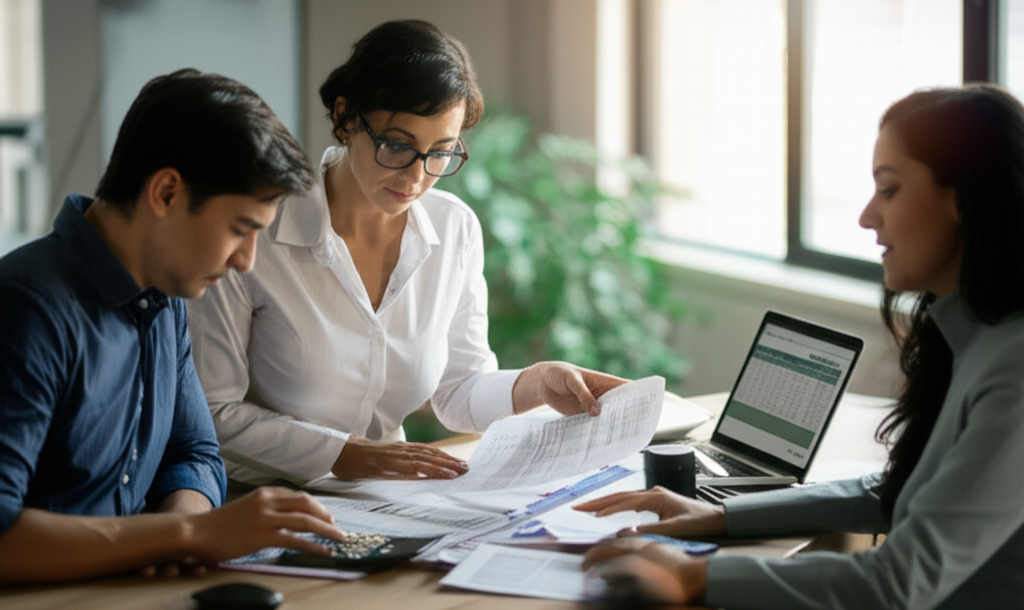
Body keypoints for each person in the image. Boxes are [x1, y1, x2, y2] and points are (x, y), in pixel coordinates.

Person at [575, 83, 1024, 609]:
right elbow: (899, 490)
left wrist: (696, 577)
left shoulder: (1012, 367)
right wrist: (718, 516)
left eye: (889, 189)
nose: (866, 216)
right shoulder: (972, 336)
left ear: (961, 198)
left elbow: (897, 585)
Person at [187, 19, 627, 487]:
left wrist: (537, 383)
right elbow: (213, 409)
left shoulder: (454, 229)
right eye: (397, 146)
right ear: (345, 119)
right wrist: (340, 454)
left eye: (440, 152)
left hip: (386, 499)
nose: (416, 177)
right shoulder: (258, 232)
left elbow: (458, 391)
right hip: (259, 500)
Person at [0, 68, 346, 584]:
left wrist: (182, 522)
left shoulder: (166, 297)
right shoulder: (25, 307)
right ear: (165, 192)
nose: (247, 261)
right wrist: (187, 536)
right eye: (239, 229)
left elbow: (193, 453)